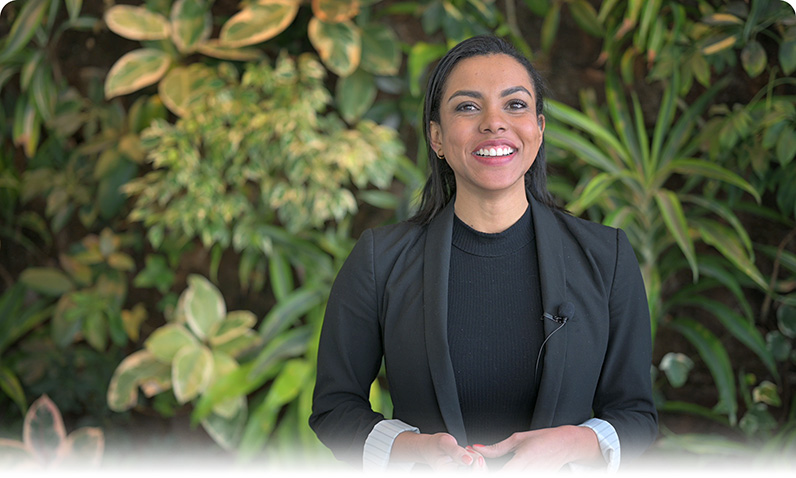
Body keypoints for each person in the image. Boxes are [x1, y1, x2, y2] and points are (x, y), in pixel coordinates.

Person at [309, 35, 658, 472]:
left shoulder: (607, 258)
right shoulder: (380, 260)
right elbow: (334, 406)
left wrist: (575, 442)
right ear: (436, 136)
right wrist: (409, 450)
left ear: (539, 127)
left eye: (514, 105)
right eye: (468, 107)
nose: (495, 123)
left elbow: (637, 415)